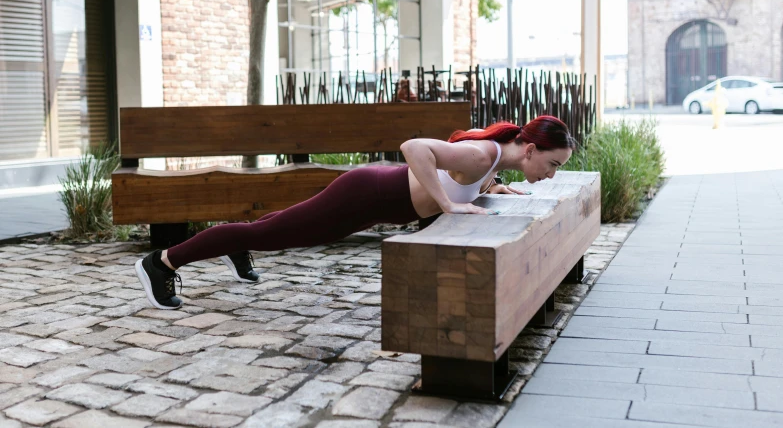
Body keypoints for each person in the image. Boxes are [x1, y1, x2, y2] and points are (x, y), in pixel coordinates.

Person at [135, 115, 577, 310]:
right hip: (366, 194)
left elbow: (458, 174)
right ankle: (161, 263)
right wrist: (447, 206)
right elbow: (413, 148)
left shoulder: (493, 159)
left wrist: (497, 189)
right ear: (533, 149)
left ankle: (241, 242)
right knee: (278, 235)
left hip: (373, 199)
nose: (552, 175)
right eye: (553, 165)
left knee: (276, 230)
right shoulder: (484, 154)